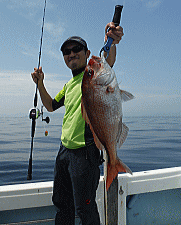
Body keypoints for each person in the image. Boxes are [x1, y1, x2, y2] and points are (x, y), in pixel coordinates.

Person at [31, 22, 124, 225]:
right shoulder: (69, 84)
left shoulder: (92, 76)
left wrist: (112, 39)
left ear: (87, 52)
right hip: (64, 152)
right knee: (62, 204)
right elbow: (50, 105)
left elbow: (108, 60)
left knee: (85, 208)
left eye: (76, 49)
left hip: (85, 153)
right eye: (66, 51)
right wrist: (40, 84)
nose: (71, 54)